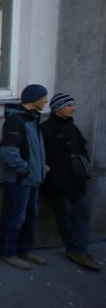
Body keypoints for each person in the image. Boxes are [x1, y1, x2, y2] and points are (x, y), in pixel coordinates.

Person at [40, 94, 100, 271]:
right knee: (64, 214)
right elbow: (40, 152)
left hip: (76, 179)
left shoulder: (72, 127)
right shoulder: (45, 128)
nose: (73, 108)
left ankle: (80, 249)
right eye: (69, 105)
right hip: (57, 181)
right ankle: (73, 250)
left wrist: (84, 163)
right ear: (58, 107)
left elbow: (82, 148)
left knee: (81, 213)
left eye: (73, 105)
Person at [0, 84, 49, 270]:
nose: (46, 100)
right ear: (34, 99)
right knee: (15, 217)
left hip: (33, 178)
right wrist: (27, 170)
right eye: (43, 97)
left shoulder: (32, 118)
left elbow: (32, 149)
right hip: (20, 180)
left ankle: (24, 249)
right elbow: (8, 152)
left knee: (30, 215)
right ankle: (8, 252)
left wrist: (40, 167)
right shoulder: (16, 120)